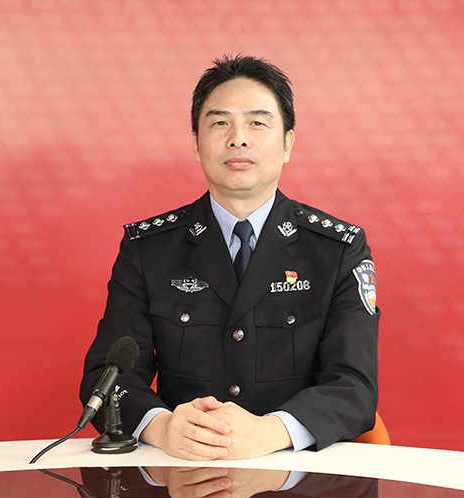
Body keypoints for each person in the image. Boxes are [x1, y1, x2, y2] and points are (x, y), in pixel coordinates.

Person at [80, 54, 379, 461]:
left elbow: (355, 387)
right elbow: (107, 376)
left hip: (297, 478)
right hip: (181, 473)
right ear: (196, 143)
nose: (238, 139)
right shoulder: (148, 249)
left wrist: (271, 431)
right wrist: (160, 426)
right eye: (220, 123)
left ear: (287, 144)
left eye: (257, 123)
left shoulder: (337, 250)